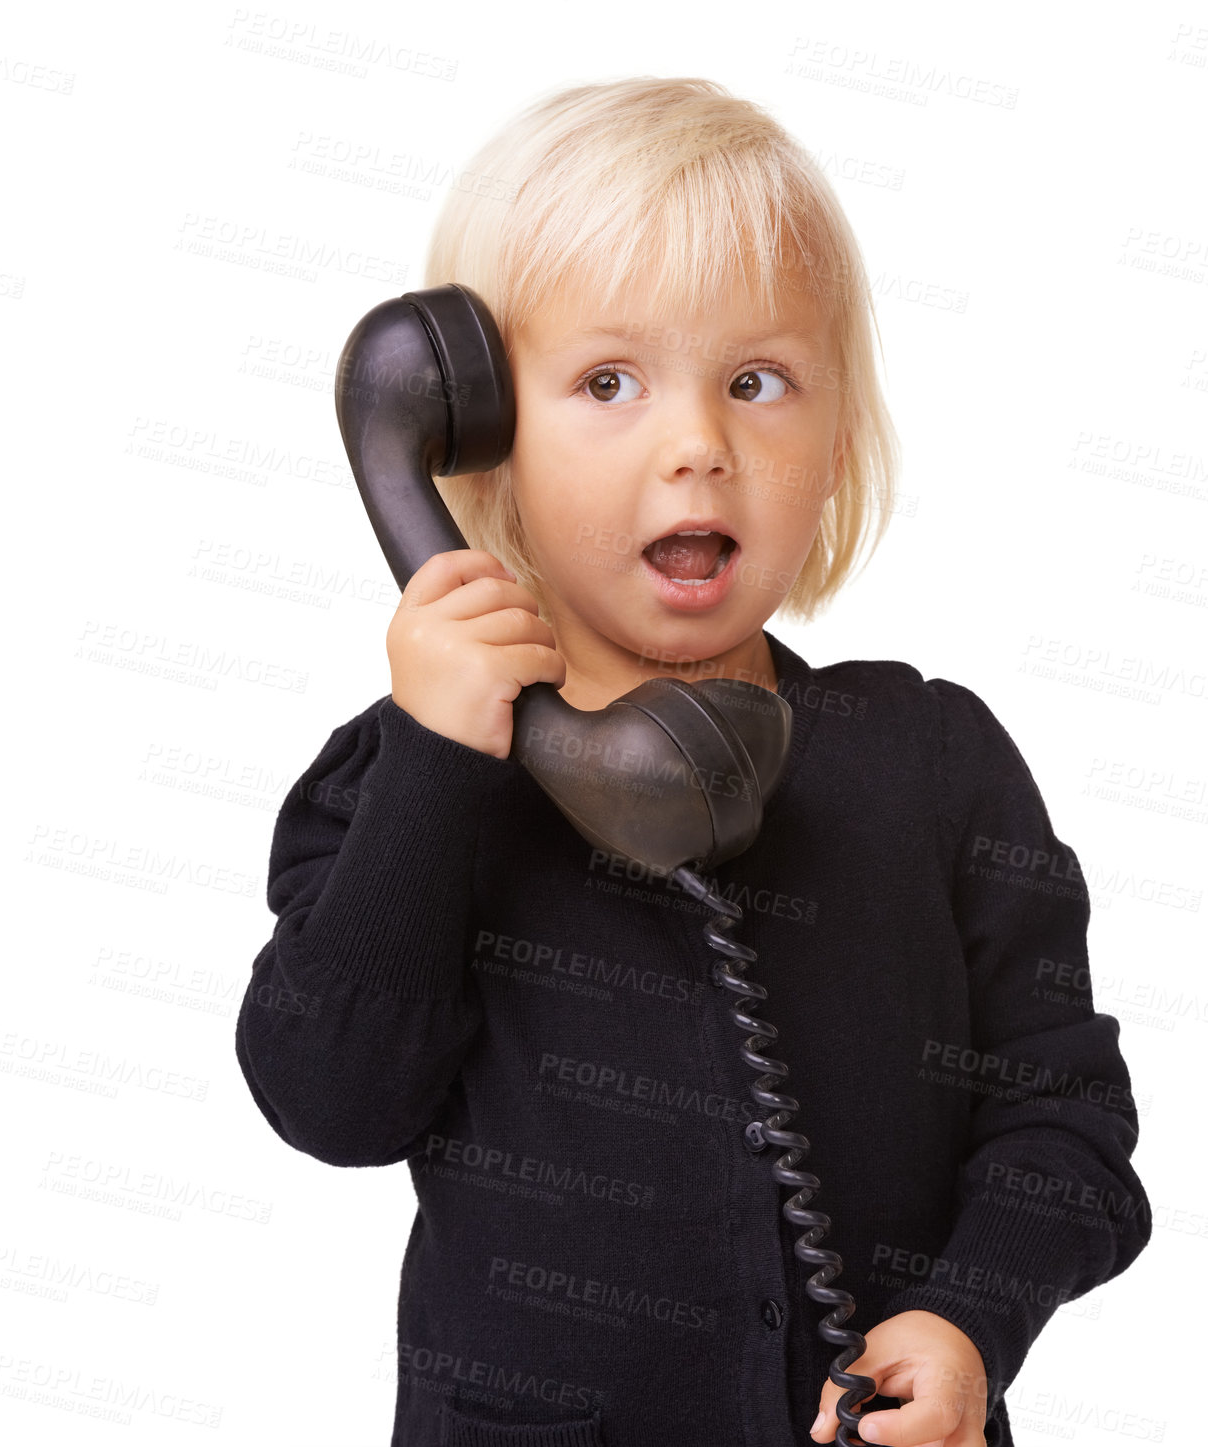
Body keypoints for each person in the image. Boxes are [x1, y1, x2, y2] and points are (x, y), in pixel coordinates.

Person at [235, 76, 1150, 1447]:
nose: (697, 447)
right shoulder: (400, 782)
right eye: (607, 381)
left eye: (756, 381)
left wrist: (971, 1317)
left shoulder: (931, 760)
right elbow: (331, 1102)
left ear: (836, 437)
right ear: (459, 438)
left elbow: (1068, 1125)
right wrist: (439, 766)